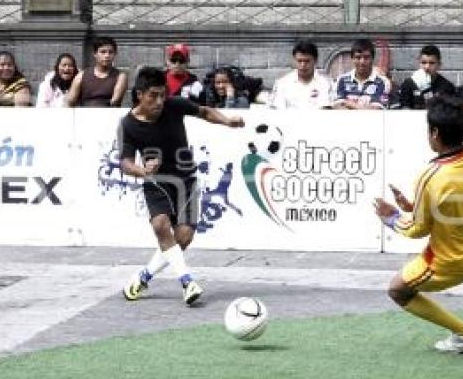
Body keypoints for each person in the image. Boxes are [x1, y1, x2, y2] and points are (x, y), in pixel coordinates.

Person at [373, 95, 463, 353]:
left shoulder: (431, 175)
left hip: (450, 263)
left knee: (397, 290)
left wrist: (392, 218)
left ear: (435, 133)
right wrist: (414, 205)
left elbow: (417, 229)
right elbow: (453, 204)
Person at [119, 66, 244, 305]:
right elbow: (125, 163)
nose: (159, 101)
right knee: (160, 225)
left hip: (186, 181)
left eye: (162, 94)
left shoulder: (174, 105)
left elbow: (204, 111)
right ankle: (187, 282)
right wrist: (142, 170)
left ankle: (144, 276)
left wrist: (228, 121)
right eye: (153, 95)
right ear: (139, 95)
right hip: (157, 183)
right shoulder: (128, 125)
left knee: (183, 238)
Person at [268, 39, 334, 109]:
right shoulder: (282, 83)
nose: (303, 65)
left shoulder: (325, 84)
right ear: (294, 60)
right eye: (299, 61)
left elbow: (326, 111)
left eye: (307, 61)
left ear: (315, 61)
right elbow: (278, 111)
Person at [67, 36, 128, 107]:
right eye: (103, 52)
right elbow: (71, 100)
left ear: (115, 54)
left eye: (110, 52)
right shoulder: (81, 75)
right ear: (95, 54)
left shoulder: (120, 77)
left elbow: (115, 101)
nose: (107, 56)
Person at [333, 39, 389, 110]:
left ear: (372, 59)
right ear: (352, 59)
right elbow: (338, 108)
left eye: (366, 57)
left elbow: (375, 111)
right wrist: (364, 108)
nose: (362, 62)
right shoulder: (342, 80)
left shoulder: (382, 82)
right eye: (358, 57)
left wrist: (351, 104)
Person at [397, 45, 457, 109]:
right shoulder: (409, 84)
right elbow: (404, 109)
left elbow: (450, 111)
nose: (427, 67)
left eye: (431, 63)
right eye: (424, 62)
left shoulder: (447, 86)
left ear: (439, 64)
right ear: (419, 63)